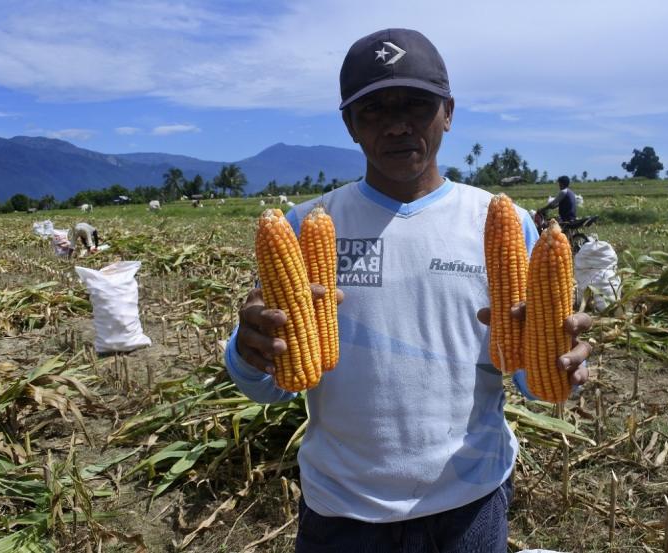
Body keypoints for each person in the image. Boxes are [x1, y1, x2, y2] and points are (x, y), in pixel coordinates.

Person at [225, 28, 592, 552]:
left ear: (448, 111)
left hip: (471, 501)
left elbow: (530, 379)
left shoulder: (502, 222)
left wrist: (561, 366)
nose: (397, 125)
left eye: (416, 105)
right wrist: (248, 349)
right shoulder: (306, 225)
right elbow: (270, 385)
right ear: (349, 125)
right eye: (373, 110)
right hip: (343, 509)